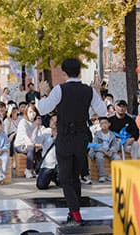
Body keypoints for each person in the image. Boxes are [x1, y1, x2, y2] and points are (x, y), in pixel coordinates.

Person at [37, 58, 107, 225]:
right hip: (82, 136)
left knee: (65, 176)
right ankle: (74, 211)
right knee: (75, 175)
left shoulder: (59, 90)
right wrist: (97, 91)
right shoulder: (88, 91)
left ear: (64, 72)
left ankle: (75, 212)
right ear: (79, 71)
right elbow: (103, 111)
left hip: (65, 136)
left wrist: (44, 93)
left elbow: (42, 109)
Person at [89, 117, 120, 182]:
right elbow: (95, 145)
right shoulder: (97, 134)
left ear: (109, 124)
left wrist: (111, 151)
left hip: (109, 150)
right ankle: (102, 175)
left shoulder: (112, 134)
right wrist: (104, 152)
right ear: (100, 125)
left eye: (105, 123)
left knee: (117, 157)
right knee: (99, 157)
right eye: (102, 123)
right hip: (100, 150)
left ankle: (112, 175)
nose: (104, 125)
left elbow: (115, 145)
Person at [14, 104, 41, 178]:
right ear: (26, 113)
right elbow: (24, 136)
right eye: (30, 112)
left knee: (39, 149)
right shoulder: (23, 122)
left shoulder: (35, 123)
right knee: (31, 148)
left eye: (34, 112)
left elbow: (35, 136)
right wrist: (32, 144)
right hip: (20, 145)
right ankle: (28, 170)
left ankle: (36, 170)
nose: (32, 114)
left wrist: (37, 144)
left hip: (31, 144)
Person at [35, 115, 59, 189]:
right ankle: (50, 176)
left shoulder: (63, 133)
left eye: (56, 121)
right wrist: (36, 127)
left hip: (60, 164)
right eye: (52, 120)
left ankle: (56, 178)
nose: (53, 122)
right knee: (41, 185)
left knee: (63, 184)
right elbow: (37, 140)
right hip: (48, 164)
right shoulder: (46, 132)